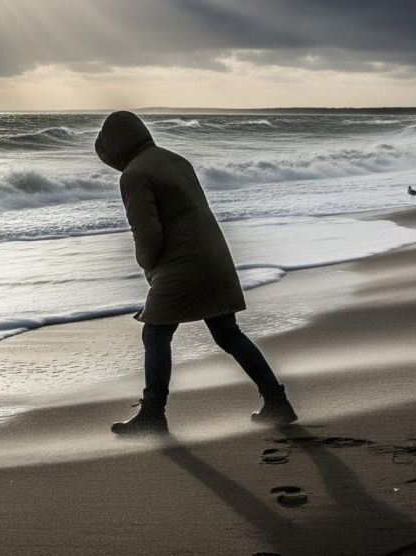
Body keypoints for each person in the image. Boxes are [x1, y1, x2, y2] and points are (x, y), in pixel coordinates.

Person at [94, 111, 297, 436]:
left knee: (155, 334)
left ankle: (152, 415)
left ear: (117, 147)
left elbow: (146, 233)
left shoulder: (133, 174)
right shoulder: (175, 159)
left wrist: (147, 265)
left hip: (182, 263)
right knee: (228, 333)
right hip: (214, 256)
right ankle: (277, 401)